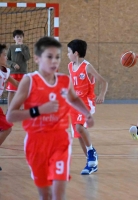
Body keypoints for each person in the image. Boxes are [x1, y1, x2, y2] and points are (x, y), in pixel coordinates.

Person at [6, 36, 94, 199]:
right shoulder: (29, 81)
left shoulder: (64, 80)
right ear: (38, 59)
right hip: (36, 142)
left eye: (58, 57)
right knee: (45, 195)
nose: (54, 61)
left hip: (60, 141)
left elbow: (73, 99)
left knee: (58, 194)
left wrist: (87, 113)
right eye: (49, 57)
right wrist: (38, 110)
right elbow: (11, 115)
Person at [67, 39, 108, 175]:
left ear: (76, 53)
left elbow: (104, 82)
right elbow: (72, 85)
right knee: (79, 135)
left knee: (80, 127)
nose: (67, 54)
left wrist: (101, 94)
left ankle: (91, 151)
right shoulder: (70, 66)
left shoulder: (87, 67)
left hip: (86, 102)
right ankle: (91, 163)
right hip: (75, 103)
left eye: (68, 52)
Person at [0, 43, 19, 171]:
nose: (6, 57)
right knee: (7, 128)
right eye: (4, 55)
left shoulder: (6, 72)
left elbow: (16, 83)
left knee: (7, 128)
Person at [6, 29, 30, 107]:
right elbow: (7, 60)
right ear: (14, 38)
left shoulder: (25, 47)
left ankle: (24, 108)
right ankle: (9, 109)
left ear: (23, 38)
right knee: (11, 91)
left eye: (21, 37)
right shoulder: (11, 47)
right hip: (13, 73)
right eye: (17, 37)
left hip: (23, 72)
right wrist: (13, 64)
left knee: (23, 91)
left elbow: (27, 57)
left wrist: (21, 47)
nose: (19, 38)